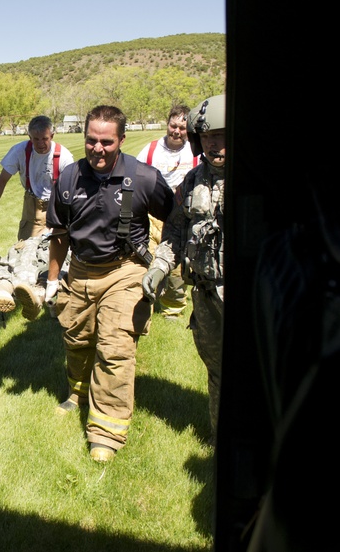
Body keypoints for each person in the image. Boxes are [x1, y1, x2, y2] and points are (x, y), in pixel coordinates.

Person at [44, 105, 174, 462]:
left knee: (115, 349)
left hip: (126, 270)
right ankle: (77, 391)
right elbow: (58, 235)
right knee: (77, 339)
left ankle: (107, 431)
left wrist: (164, 263)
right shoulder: (69, 177)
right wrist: (53, 282)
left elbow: (174, 219)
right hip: (81, 270)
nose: (97, 149)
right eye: (91, 140)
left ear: (121, 141)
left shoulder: (144, 178)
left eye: (106, 141)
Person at [142, 94, 226, 443]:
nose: (214, 144)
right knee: (216, 370)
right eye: (207, 137)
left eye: (221, 135)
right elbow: (175, 233)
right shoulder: (192, 181)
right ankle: (222, 438)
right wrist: (159, 266)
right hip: (205, 295)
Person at [135, 104, 199, 319]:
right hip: (153, 214)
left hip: (183, 214)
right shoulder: (151, 149)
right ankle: (145, 300)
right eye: (173, 126)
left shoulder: (195, 151)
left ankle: (173, 307)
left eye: (182, 127)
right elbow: (136, 176)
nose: (177, 131)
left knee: (177, 263)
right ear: (167, 124)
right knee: (146, 258)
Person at [0, 115, 75, 241]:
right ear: (29, 137)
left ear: (52, 136)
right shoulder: (19, 151)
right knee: (25, 254)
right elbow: (2, 180)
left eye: (45, 139)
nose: (40, 144)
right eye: (36, 139)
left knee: (58, 255)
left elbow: (72, 191)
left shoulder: (64, 157)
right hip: (31, 211)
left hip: (58, 209)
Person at [0, 232, 72, 320]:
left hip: (62, 242)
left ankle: (8, 290)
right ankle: (2, 289)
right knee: (19, 256)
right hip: (43, 239)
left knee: (41, 266)